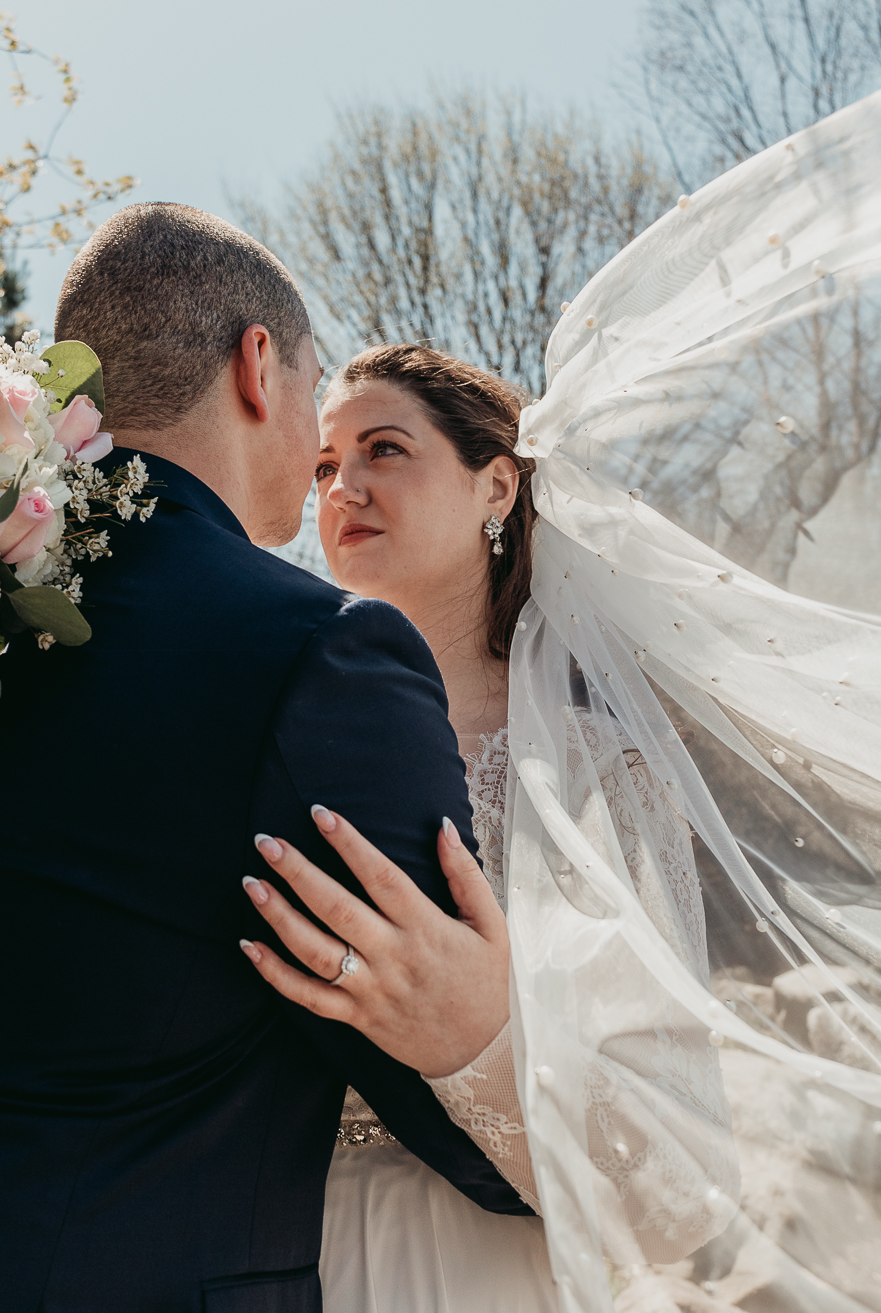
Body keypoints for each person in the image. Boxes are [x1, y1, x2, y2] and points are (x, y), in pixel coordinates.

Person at [0, 203, 528, 1313]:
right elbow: (449, 1101)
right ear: (255, 367)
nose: (328, 474)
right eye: (312, 400)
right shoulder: (316, 652)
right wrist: (497, 1048)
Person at [237, 344, 734, 1312]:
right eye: (326, 464)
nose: (345, 488)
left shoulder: (594, 771)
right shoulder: (254, 728)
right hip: (255, 1249)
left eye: (384, 449)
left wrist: (480, 1040)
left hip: (480, 1264)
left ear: (494, 484)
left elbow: (679, 1175)